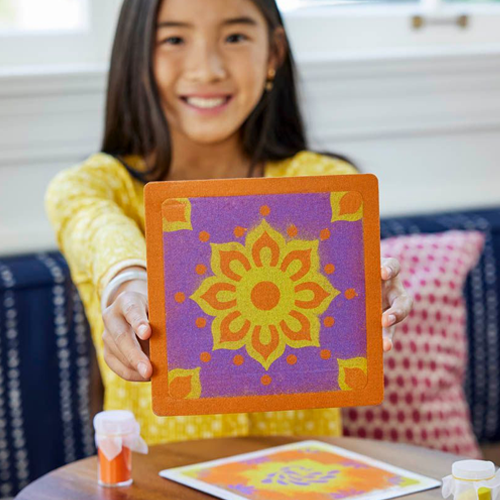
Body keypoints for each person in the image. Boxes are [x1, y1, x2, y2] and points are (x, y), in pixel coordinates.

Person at [45, 0, 412, 445]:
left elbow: (346, 306)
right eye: (174, 39)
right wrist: (129, 281)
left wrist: (370, 297)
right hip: (158, 473)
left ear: (274, 53)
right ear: (136, 55)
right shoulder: (94, 187)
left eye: (235, 37)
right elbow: (100, 233)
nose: (207, 70)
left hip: (301, 471)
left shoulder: (327, 183)